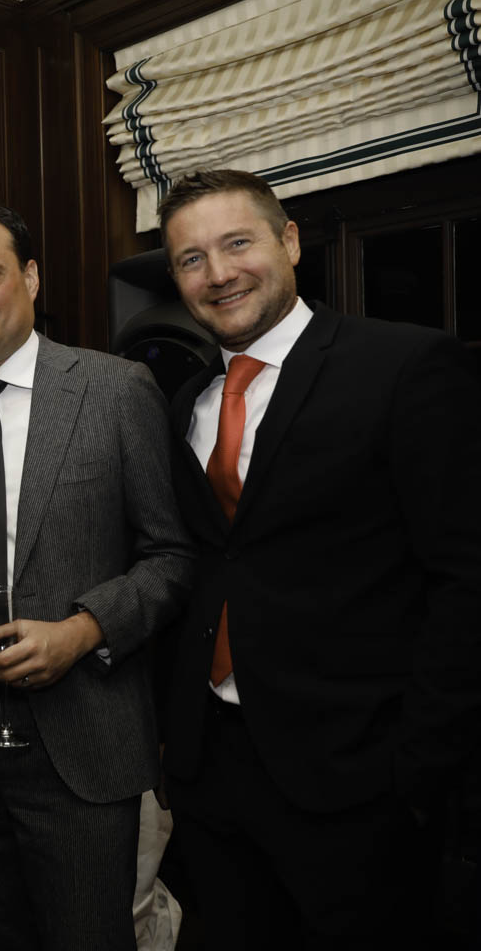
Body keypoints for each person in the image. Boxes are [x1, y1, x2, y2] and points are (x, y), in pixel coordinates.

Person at [156, 169, 481, 948]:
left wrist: (418, 762)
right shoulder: (187, 401)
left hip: (359, 779)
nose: (218, 272)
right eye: (192, 258)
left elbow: (467, 577)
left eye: (238, 243)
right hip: (212, 774)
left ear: (291, 241)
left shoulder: (404, 366)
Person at [0, 202, 193, 951]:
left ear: (30, 278)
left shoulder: (116, 390)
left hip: (82, 725)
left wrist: (84, 630)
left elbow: (172, 556)